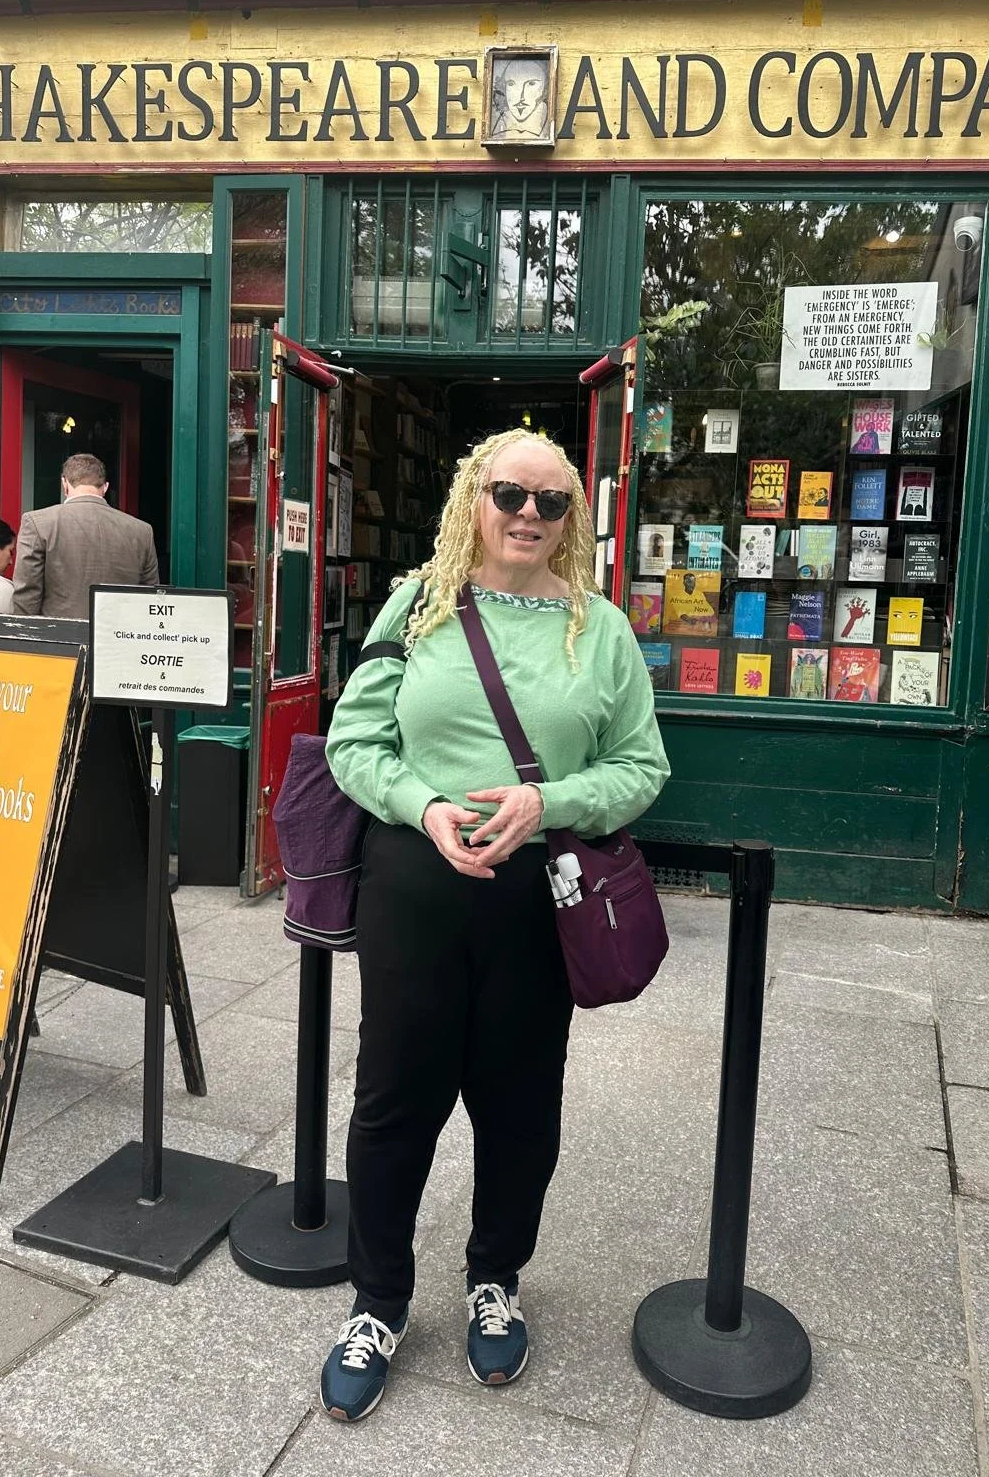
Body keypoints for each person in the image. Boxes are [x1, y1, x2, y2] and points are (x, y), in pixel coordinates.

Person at [320, 428, 670, 1422]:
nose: (528, 513)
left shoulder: (600, 631)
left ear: (573, 518)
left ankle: (494, 1280)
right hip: (415, 886)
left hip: (535, 902)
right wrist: (425, 806)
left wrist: (547, 801)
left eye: (551, 501)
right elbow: (354, 738)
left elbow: (642, 768)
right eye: (509, 493)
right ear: (474, 498)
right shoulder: (419, 603)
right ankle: (378, 1300)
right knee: (395, 1099)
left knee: (519, 1106)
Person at [12, 453, 159, 618]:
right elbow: (151, 599)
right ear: (105, 487)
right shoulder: (141, 530)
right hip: (119, 637)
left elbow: (26, 596)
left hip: (58, 636)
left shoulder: (37, 523)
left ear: (64, 484)